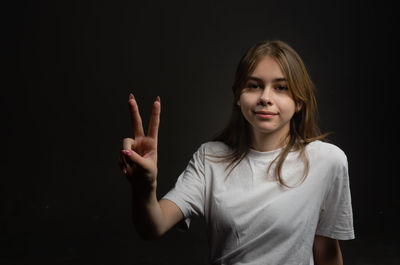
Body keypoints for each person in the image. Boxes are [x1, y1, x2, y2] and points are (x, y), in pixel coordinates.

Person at [119, 40, 355, 265]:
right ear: (238, 97)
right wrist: (144, 186)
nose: (265, 98)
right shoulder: (209, 158)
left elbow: (327, 251)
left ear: (299, 102)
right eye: (254, 86)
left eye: (281, 88)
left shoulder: (328, 161)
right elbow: (153, 226)